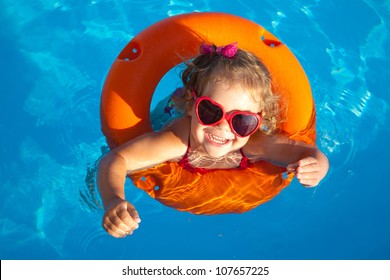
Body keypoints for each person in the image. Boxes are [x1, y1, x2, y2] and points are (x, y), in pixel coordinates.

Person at [97, 42, 329, 238]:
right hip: (170, 113)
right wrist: (112, 200)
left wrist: (317, 166)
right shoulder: (177, 138)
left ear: (259, 120)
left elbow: (307, 153)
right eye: (210, 111)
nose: (222, 127)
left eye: (241, 121)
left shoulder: (254, 143)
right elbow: (115, 159)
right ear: (191, 104)